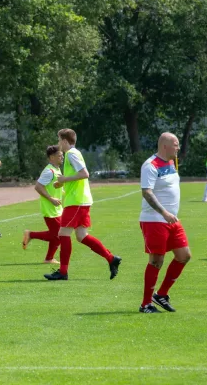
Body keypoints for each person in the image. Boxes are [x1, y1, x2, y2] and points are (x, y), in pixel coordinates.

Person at [44, 128, 121, 281]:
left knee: (63, 234)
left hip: (77, 201)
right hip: (80, 200)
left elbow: (84, 173)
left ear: (65, 141)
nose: (58, 143)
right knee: (81, 236)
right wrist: (63, 183)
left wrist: (64, 179)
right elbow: (78, 176)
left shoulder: (71, 154)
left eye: (59, 140)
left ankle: (63, 272)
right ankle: (111, 258)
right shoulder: (73, 153)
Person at [138, 133, 191, 313]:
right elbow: (147, 192)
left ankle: (161, 295)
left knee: (184, 255)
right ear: (164, 146)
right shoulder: (150, 165)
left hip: (172, 220)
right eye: (175, 145)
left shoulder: (171, 162)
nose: (178, 148)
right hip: (154, 220)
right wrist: (164, 212)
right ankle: (146, 304)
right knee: (156, 260)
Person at [22, 146, 64, 264]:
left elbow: (52, 186)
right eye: (60, 156)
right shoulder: (49, 171)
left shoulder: (57, 169)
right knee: (59, 234)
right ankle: (31, 234)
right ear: (52, 157)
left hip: (57, 208)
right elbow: (38, 187)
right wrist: (51, 199)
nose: (62, 158)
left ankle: (49, 258)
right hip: (50, 208)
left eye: (62, 155)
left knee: (58, 234)